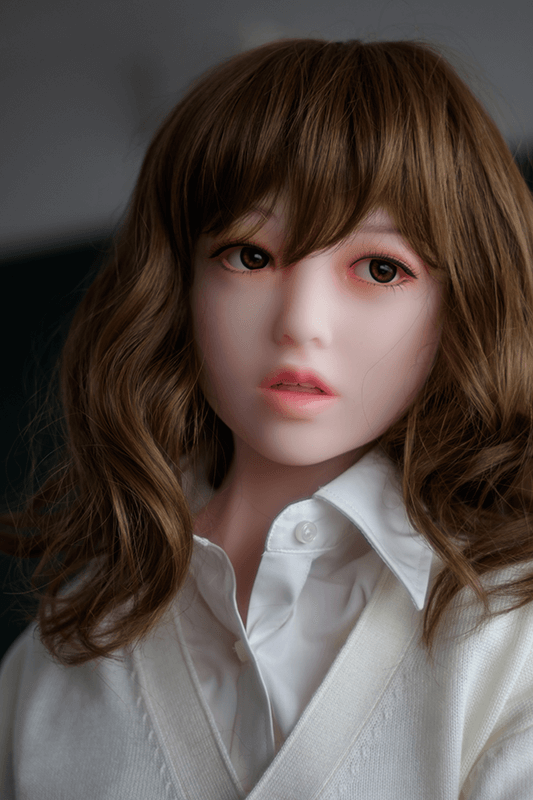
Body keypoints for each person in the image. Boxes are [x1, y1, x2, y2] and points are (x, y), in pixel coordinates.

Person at [2, 37, 533, 799]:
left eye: (380, 268)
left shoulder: (509, 632)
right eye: (248, 256)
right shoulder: (58, 656)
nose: (300, 323)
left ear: (460, 306)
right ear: (177, 284)